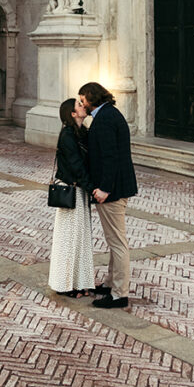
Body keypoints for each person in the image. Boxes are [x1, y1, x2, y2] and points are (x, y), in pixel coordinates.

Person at [79, 81, 138, 308]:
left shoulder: (104, 120)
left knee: (117, 242)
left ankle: (119, 294)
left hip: (113, 190)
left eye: (83, 99)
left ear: (91, 98)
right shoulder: (109, 114)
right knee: (115, 240)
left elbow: (110, 158)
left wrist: (104, 188)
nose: (81, 102)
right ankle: (112, 282)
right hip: (117, 187)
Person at [47, 97, 95, 299]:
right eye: (78, 105)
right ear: (72, 113)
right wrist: (93, 189)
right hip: (71, 190)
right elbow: (76, 165)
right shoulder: (67, 135)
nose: (83, 106)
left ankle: (80, 281)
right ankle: (64, 284)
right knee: (68, 239)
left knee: (80, 238)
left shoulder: (81, 132)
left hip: (80, 190)